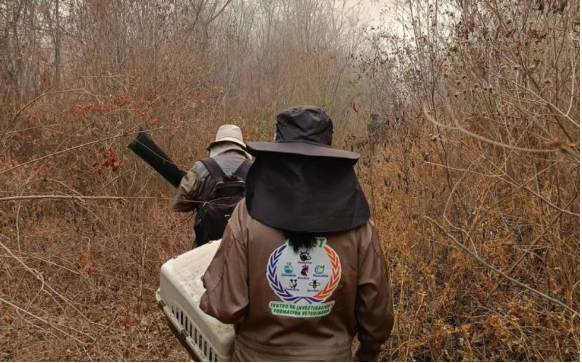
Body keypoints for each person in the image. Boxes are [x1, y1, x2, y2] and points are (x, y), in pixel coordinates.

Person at [200, 106, 394, 361]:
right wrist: (368, 350)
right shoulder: (358, 225)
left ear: (277, 153)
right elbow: (376, 312)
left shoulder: (246, 215)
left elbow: (226, 307)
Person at [171, 124, 252, 247]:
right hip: (246, 246)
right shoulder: (255, 169)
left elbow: (179, 204)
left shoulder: (200, 168)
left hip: (206, 247)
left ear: (217, 146)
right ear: (241, 147)